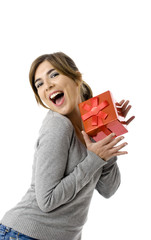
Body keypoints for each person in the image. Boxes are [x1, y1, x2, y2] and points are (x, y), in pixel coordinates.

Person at [0, 52, 135, 240]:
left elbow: (108, 190)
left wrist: (106, 136)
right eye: (39, 84)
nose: (47, 85)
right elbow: (47, 201)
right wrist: (93, 160)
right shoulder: (57, 125)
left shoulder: (90, 128)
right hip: (24, 233)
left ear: (76, 77)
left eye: (53, 74)